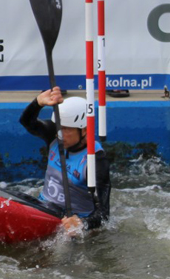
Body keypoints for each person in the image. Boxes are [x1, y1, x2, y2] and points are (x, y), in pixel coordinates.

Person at [20, 87, 110, 231]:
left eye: (66, 129)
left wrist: (81, 224)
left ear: (85, 130)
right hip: (44, 207)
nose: (59, 134)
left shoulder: (96, 161)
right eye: (58, 127)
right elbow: (26, 122)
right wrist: (38, 102)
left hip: (68, 221)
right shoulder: (53, 135)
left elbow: (104, 214)